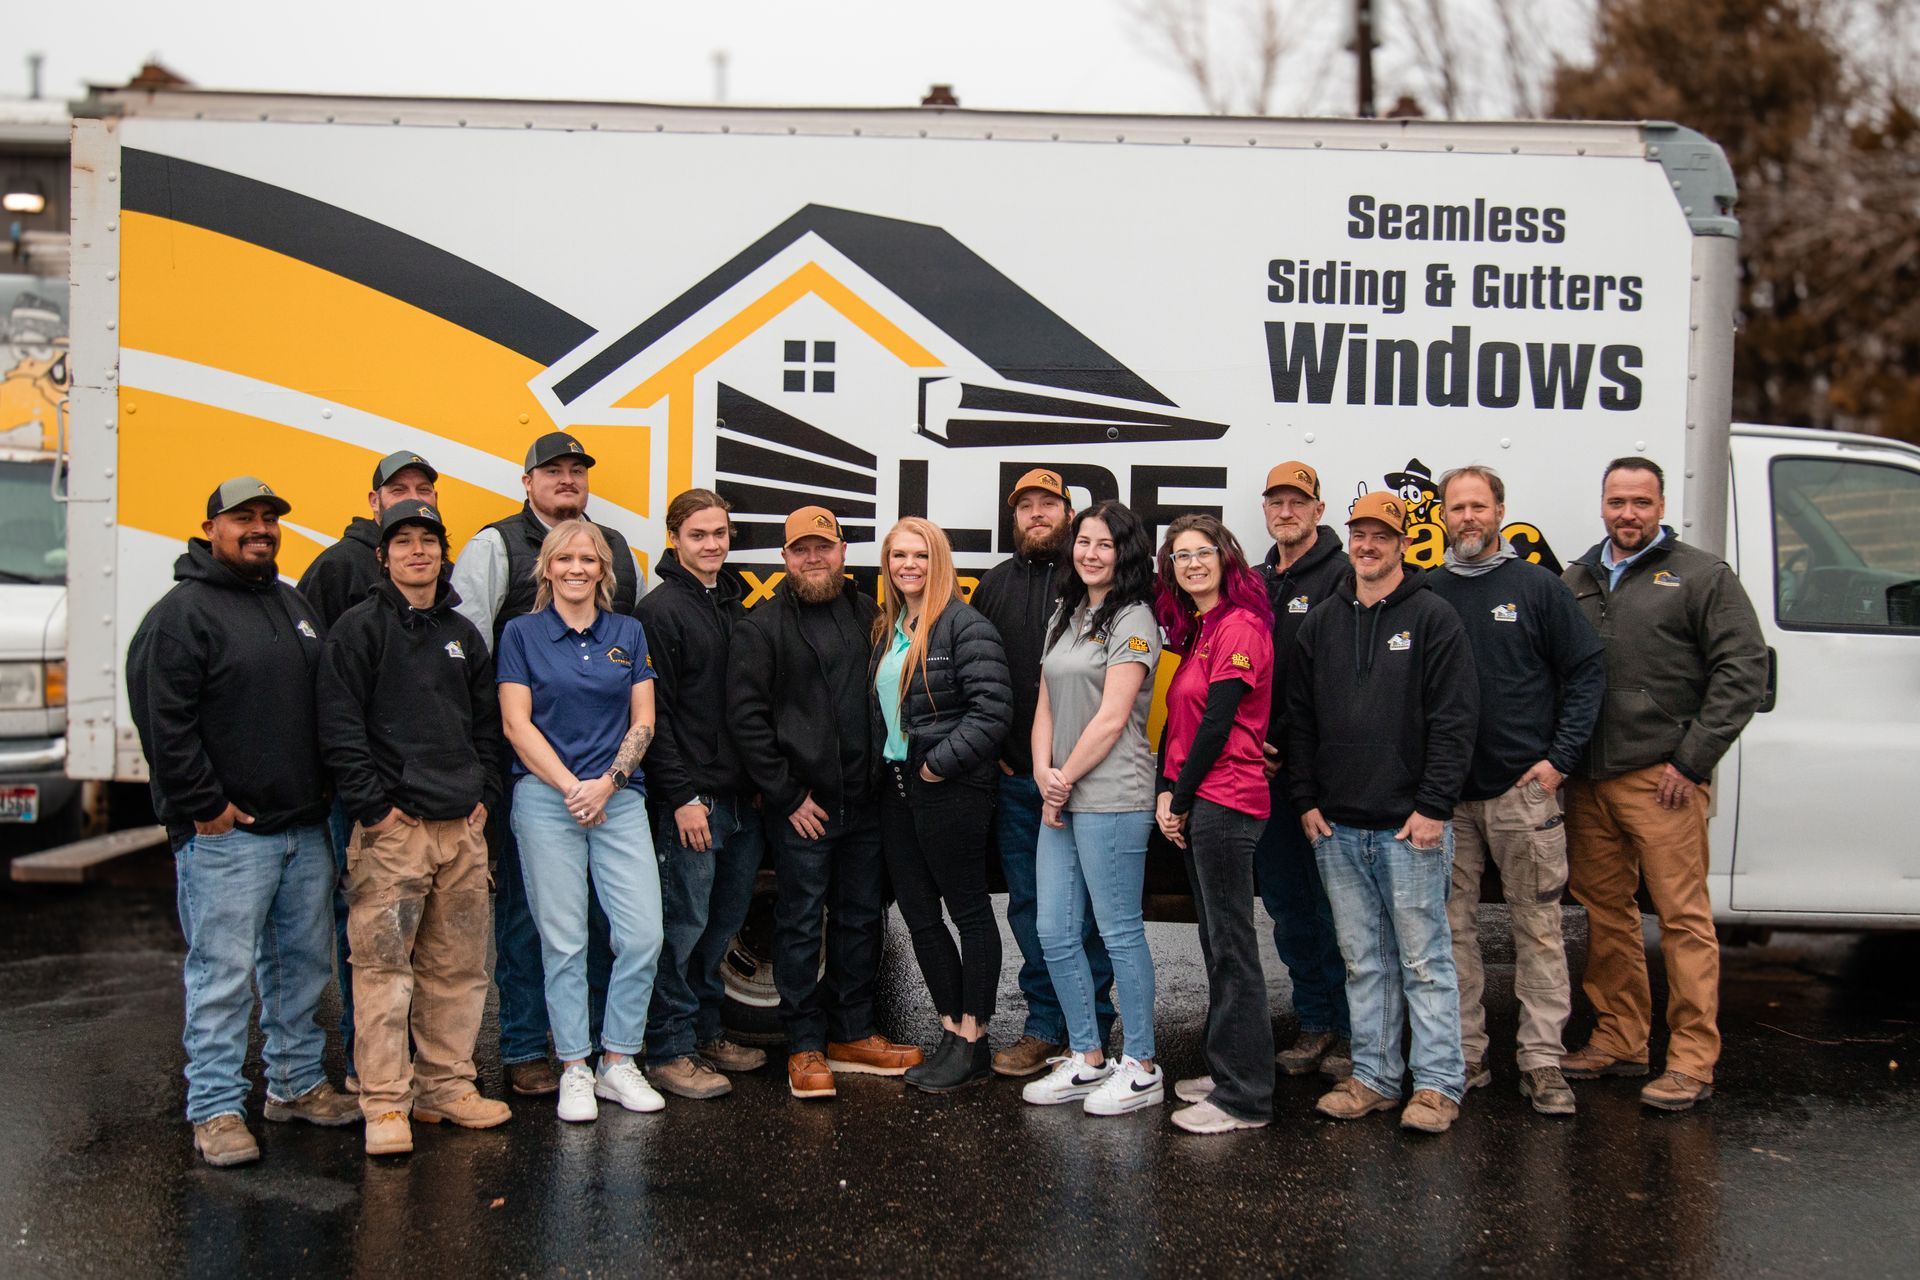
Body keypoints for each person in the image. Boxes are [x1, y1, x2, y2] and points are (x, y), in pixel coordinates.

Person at [127, 477, 359, 1168]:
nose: (260, 529)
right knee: (222, 976)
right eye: (243, 519)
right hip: (228, 837)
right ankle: (216, 1109)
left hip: (301, 827)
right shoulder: (181, 615)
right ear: (209, 529)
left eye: (269, 519)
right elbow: (163, 725)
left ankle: (292, 1086)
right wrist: (205, 806)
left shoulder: (290, 602)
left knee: (300, 970)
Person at [1560, 457, 1767, 1111]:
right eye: (1617, 501)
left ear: (1660, 505)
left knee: (1683, 920)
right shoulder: (1578, 579)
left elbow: (1744, 670)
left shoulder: (1703, 576)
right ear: (1602, 505)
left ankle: (1691, 1061)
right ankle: (1621, 1040)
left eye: (1640, 502)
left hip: (1663, 780)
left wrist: (1692, 760)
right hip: (1590, 781)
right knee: (1607, 917)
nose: (1628, 513)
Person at [317, 500, 512, 1155]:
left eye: (428, 540)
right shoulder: (358, 630)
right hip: (393, 834)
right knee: (382, 973)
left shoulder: (463, 633)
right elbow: (340, 729)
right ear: (384, 555)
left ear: (442, 552)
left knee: (457, 971)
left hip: (461, 830)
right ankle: (386, 1106)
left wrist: (484, 796)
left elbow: (487, 725)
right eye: (403, 542)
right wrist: (373, 809)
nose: (417, 551)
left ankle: (445, 1089)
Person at [452, 431, 639, 1098]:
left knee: (594, 919)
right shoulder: (496, 545)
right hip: (520, 767)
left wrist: (610, 774)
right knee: (531, 917)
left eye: (576, 472)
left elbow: (624, 657)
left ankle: (587, 1052)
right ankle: (530, 1047)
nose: (566, 481)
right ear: (526, 482)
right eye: (551, 471)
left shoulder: (612, 547)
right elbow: (468, 652)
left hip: (603, 778)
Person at [1288, 490, 1480, 1134]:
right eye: (1359, 535)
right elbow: (1302, 721)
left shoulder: (1433, 617)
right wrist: (1307, 801)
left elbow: (1455, 721)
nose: (1368, 546)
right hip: (1337, 826)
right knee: (1362, 959)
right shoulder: (1322, 621)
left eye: (1382, 536)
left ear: (1403, 545)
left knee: (1424, 960)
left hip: (1410, 827)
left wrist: (1434, 806)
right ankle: (1372, 1077)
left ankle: (1437, 1085)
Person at [729, 506, 925, 1100]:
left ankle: (853, 1033)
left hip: (863, 803)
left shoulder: (870, 615)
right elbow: (747, 721)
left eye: (824, 547)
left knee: (861, 920)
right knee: (797, 923)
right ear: (786, 559)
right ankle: (805, 1045)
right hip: (804, 809)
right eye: (800, 550)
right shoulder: (760, 627)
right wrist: (788, 795)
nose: (814, 558)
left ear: (843, 552)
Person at [1430, 466, 1604, 1117]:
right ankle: (1467, 1054)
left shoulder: (1538, 588)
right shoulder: (1429, 592)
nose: (1468, 517)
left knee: (1539, 931)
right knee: (1451, 933)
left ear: (1500, 510)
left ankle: (1541, 1062)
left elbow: (1587, 671)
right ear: (1443, 516)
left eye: (1479, 506)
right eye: (1457, 507)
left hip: (1522, 797)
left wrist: (1561, 759)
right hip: (1446, 800)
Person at [496, 520, 665, 1123]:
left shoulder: (629, 631)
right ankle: (574, 1065)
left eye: (587, 559)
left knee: (643, 935)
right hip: (547, 801)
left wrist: (607, 784)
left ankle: (617, 1061)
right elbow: (517, 725)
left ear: (603, 570)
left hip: (618, 799)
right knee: (564, 940)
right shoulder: (521, 633)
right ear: (546, 568)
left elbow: (642, 720)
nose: (576, 568)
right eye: (563, 558)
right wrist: (572, 788)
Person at [298, 449, 440, 1093]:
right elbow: (322, 692)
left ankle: (407, 1066)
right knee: (368, 934)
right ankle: (368, 1071)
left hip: (425, 798)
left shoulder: (441, 581)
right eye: (398, 488)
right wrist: (362, 797)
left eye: (424, 490)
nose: (413, 496)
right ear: (372, 500)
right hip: (367, 797)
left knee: (418, 942)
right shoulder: (337, 569)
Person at [971, 468, 1116, 1078]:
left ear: (1069, 514)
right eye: (1026, 506)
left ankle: (1094, 1029)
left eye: (1048, 505)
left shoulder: (1091, 581)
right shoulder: (994, 587)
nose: (1037, 515)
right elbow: (975, 677)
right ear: (1014, 517)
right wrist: (1001, 751)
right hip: (1017, 778)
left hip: (1090, 777)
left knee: (1088, 909)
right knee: (1031, 906)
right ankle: (1043, 1025)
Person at [1022, 501, 1166, 1115]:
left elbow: (1112, 718)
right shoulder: (1066, 613)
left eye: (1105, 544)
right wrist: (1042, 773)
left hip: (1111, 796)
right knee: (1054, 929)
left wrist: (1064, 780)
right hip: (1061, 793)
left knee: (1118, 931)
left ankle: (1141, 1064)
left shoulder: (1134, 619)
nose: (1090, 553)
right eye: (1083, 542)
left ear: (1125, 553)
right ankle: (1086, 1057)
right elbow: (1047, 703)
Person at [870, 517, 1011, 1092]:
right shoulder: (889, 627)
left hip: (948, 786)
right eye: (898, 555)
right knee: (920, 916)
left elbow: (992, 712)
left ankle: (974, 1041)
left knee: (969, 912)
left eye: (920, 555)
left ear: (940, 561)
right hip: (896, 789)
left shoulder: (964, 625)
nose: (909, 565)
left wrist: (936, 763)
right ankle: (951, 1031)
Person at [638, 489, 769, 1100]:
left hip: (741, 800)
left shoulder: (732, 602)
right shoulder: (661, 611)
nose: (712, 544)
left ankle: (707, 1031)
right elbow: (652, 716)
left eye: (719, 533)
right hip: (694, 803)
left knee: (721, 926)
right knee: (682, 926)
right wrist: (682, 795)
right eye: (698, 535)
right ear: (674, 539)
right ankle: (667, 1048)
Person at [1154, 514, 1278, 1135]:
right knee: (1215, 944)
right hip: (1202, 799)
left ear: (1227, 560)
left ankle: (1246, 1097)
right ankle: (1229, 1068)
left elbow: (1218, 723)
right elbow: (1178, 726)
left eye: (1203, 553)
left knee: (1233, 950)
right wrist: (1169, 792)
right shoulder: (1200, 631)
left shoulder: (1242, 627)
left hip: (1226, 799)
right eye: (1181, 556)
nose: (1193, 563)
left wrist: (1177, 797)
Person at [1252, 460, 1354, 1082]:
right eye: (1276, 502)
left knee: (1338, 910)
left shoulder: (1343, 576)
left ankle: (1352, 1032)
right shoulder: (1258, 580)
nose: (1286, 511)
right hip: (1261, 776)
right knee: (1289, 905)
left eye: (1298, 502)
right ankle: (1316, 1022)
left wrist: (1287, 742)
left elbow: (1336, 680)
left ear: (1319, 510)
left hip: (1319, 776)